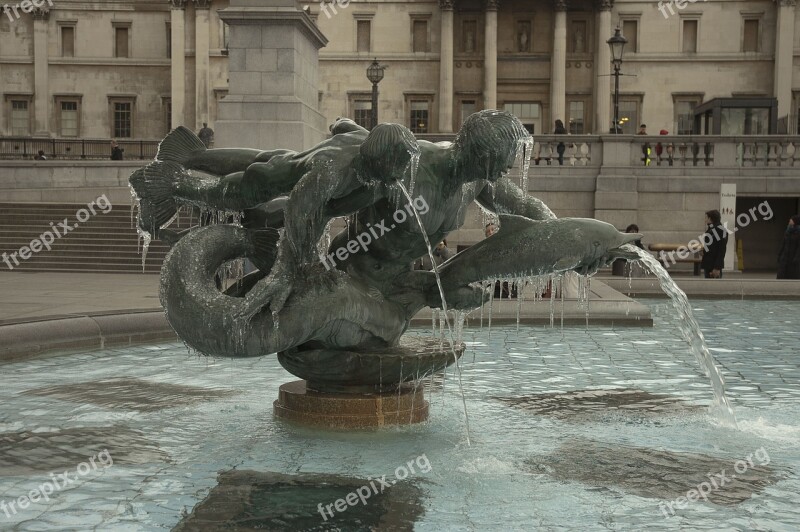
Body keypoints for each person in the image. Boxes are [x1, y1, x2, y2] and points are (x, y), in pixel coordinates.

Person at [701, 209, 727, 279]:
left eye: (706, 217)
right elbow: (711, 245)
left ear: (711, 218)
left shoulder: (720, 230)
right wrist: (704, 251)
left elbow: (721, 249)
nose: (705, 220)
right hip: (708, 263)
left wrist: (717, 267)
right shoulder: (711, 229)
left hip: (714, 265)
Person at [777, 215, 800, 279]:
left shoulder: (798, 232)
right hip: (785, 257)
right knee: (781, 276)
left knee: (792, 277)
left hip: (793, 259)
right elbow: (783, 244)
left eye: (791, 220)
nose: (789, 221)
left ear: (795, 222)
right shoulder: (787, 231)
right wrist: (779, 254)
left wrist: (797, 258)